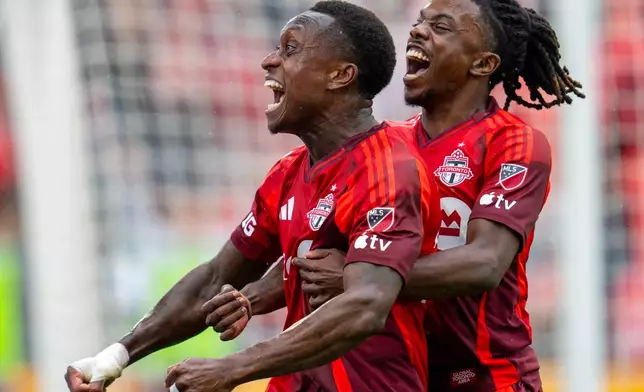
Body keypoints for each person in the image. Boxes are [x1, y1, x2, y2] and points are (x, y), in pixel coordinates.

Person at [206, 0, 585, 391]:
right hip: (411, 375)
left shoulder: (513, 142)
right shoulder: (383, 147)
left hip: (489, 375)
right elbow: (320, 250)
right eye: (420, 22)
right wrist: (252, 298)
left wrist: (362, 279)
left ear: (483, 65)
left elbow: (486, 263)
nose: (418, 31)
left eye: (441, 27)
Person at [63, 2, 441, 392]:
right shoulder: (288, 173)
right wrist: (116, 356)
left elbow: (365, 306)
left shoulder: (388, 169)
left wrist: (233, 368)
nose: (268, 61)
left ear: (340, 75)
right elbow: (216, 277)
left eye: (290, 49)